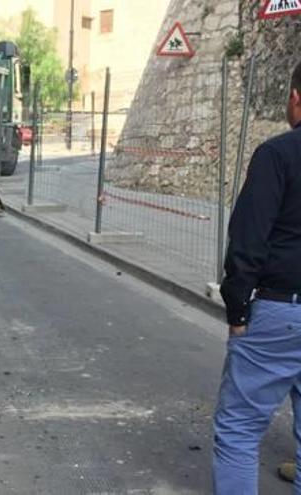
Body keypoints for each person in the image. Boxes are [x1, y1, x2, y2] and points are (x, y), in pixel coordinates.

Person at [213, 60, 301, 494]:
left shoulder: (278, 155)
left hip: (279, 311)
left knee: (238, 431)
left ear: (296, 98)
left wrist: (237, 311)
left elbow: (248, 239)